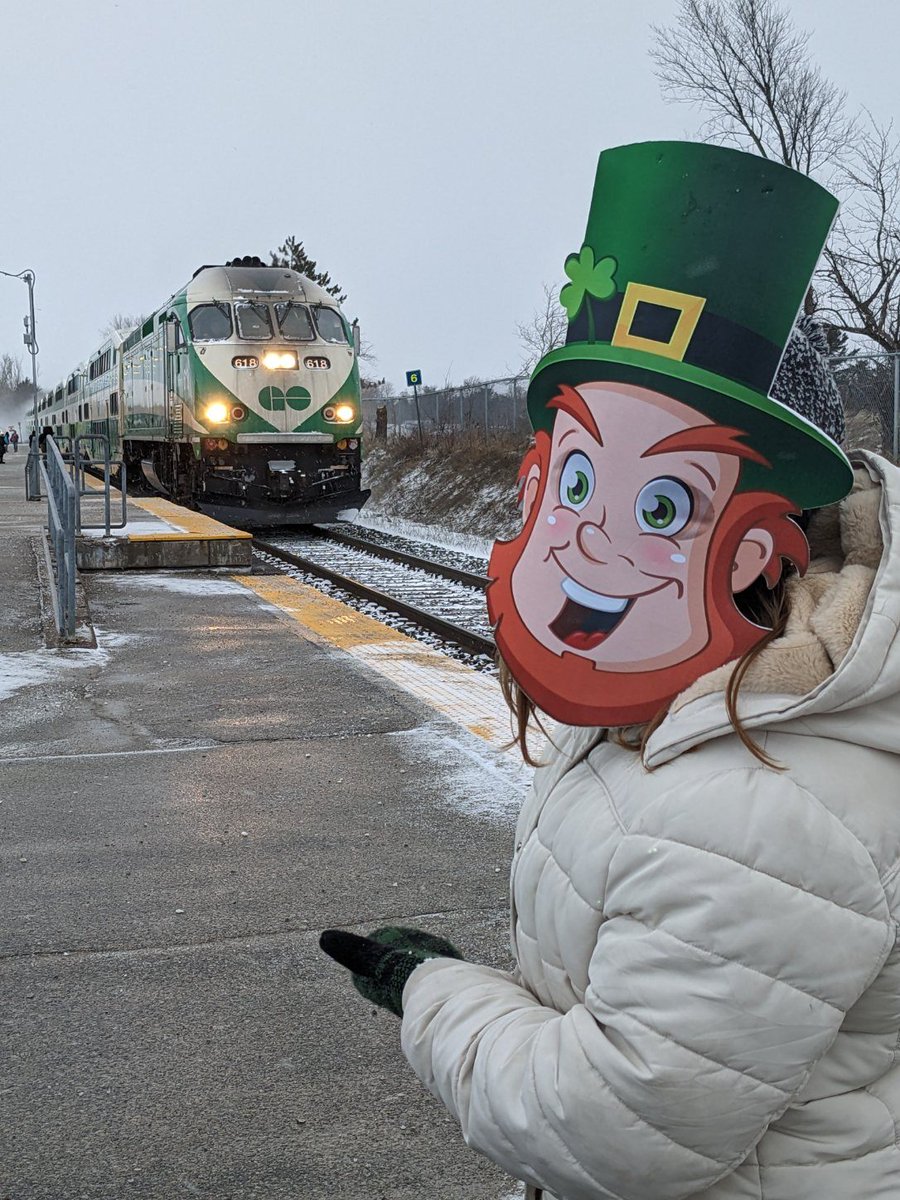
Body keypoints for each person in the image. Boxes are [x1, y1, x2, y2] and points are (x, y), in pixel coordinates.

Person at [320, 143, 900, 1200]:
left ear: (762, 541)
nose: (587, 539)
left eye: (663, 504)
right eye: (577, 481)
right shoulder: (700, 690)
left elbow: (618, 1128)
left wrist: (433, 994)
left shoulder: (768, 802)